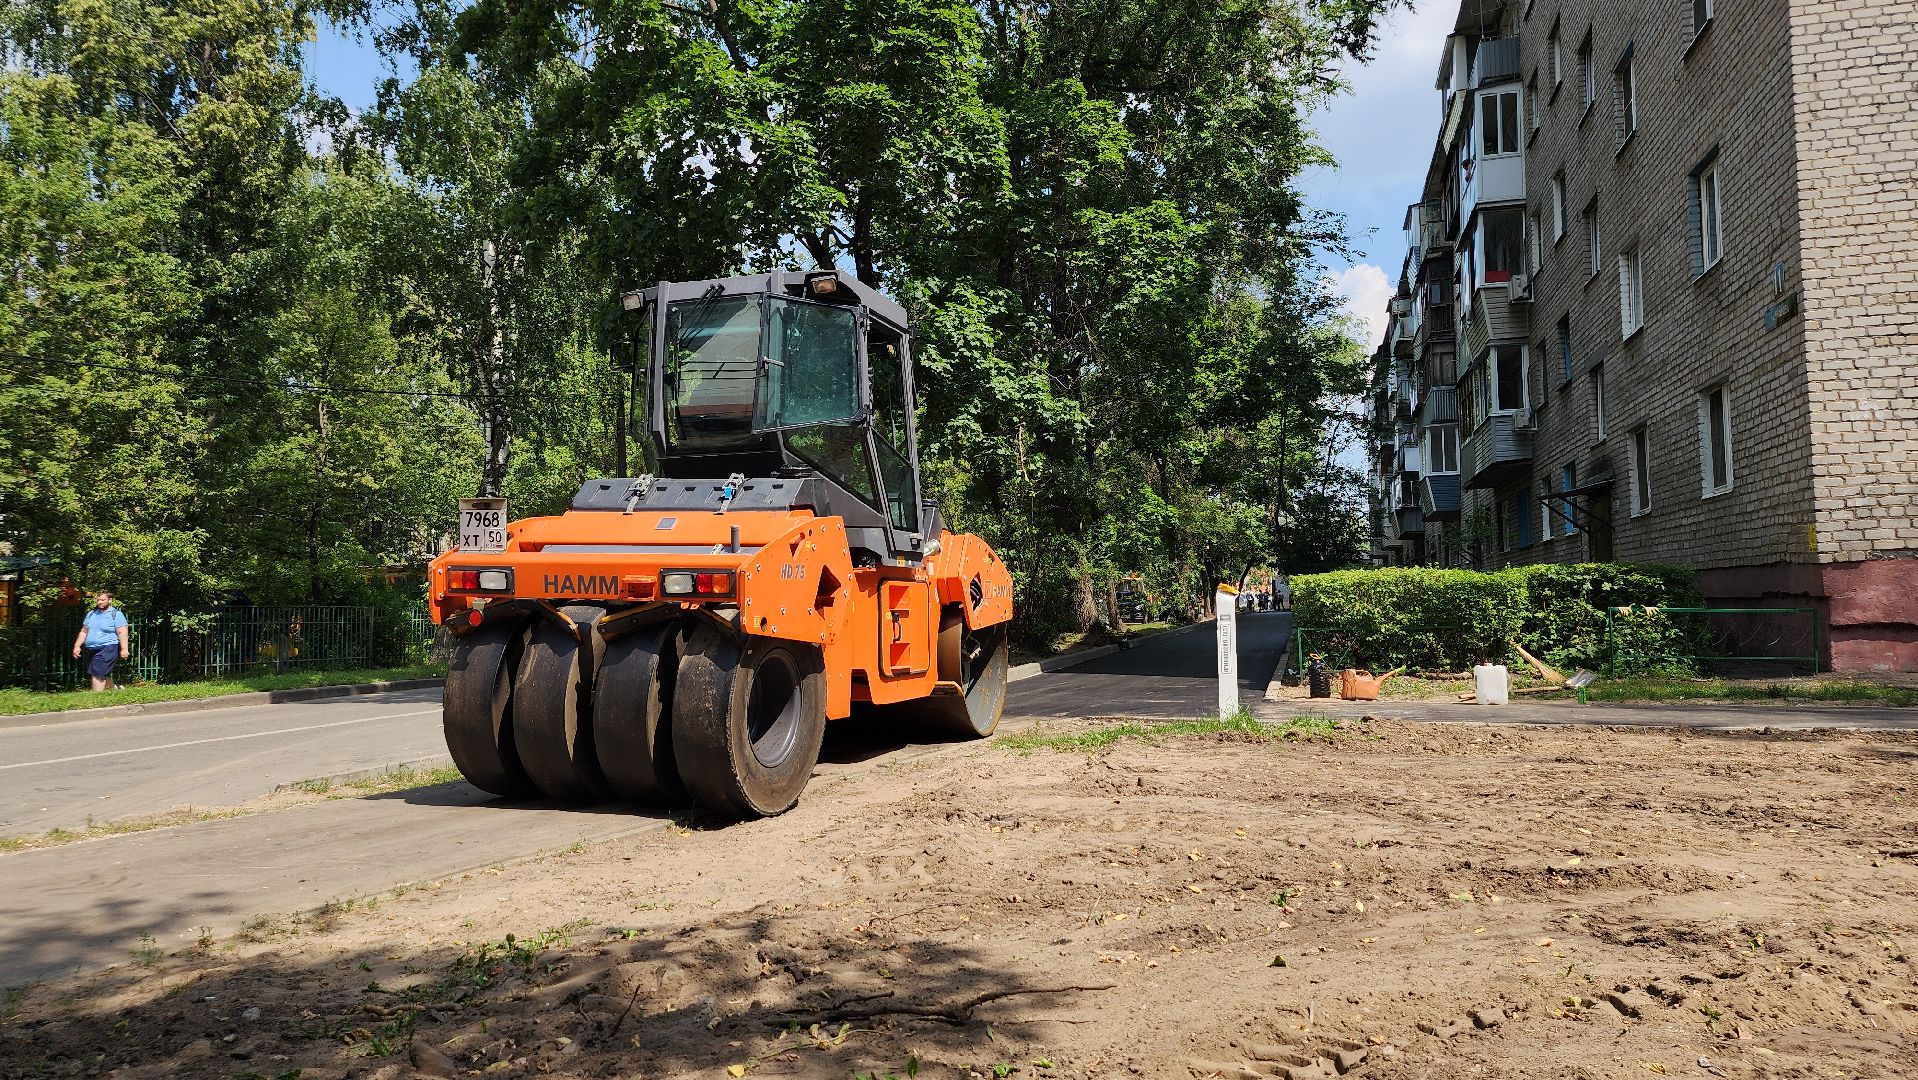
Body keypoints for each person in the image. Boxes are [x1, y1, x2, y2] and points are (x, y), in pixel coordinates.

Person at [71, 590, 131, 691]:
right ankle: (116, 690)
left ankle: (96, 698)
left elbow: (122, 632)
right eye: (98, 600)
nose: (100, 602)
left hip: (108, 647)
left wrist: (124, 649)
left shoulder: (116, 614)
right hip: (92, 648)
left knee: (97, 673)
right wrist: (77, 646)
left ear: (110, 600)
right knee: (97, 672)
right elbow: (84, 632)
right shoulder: (91, 614)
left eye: (103, 600)